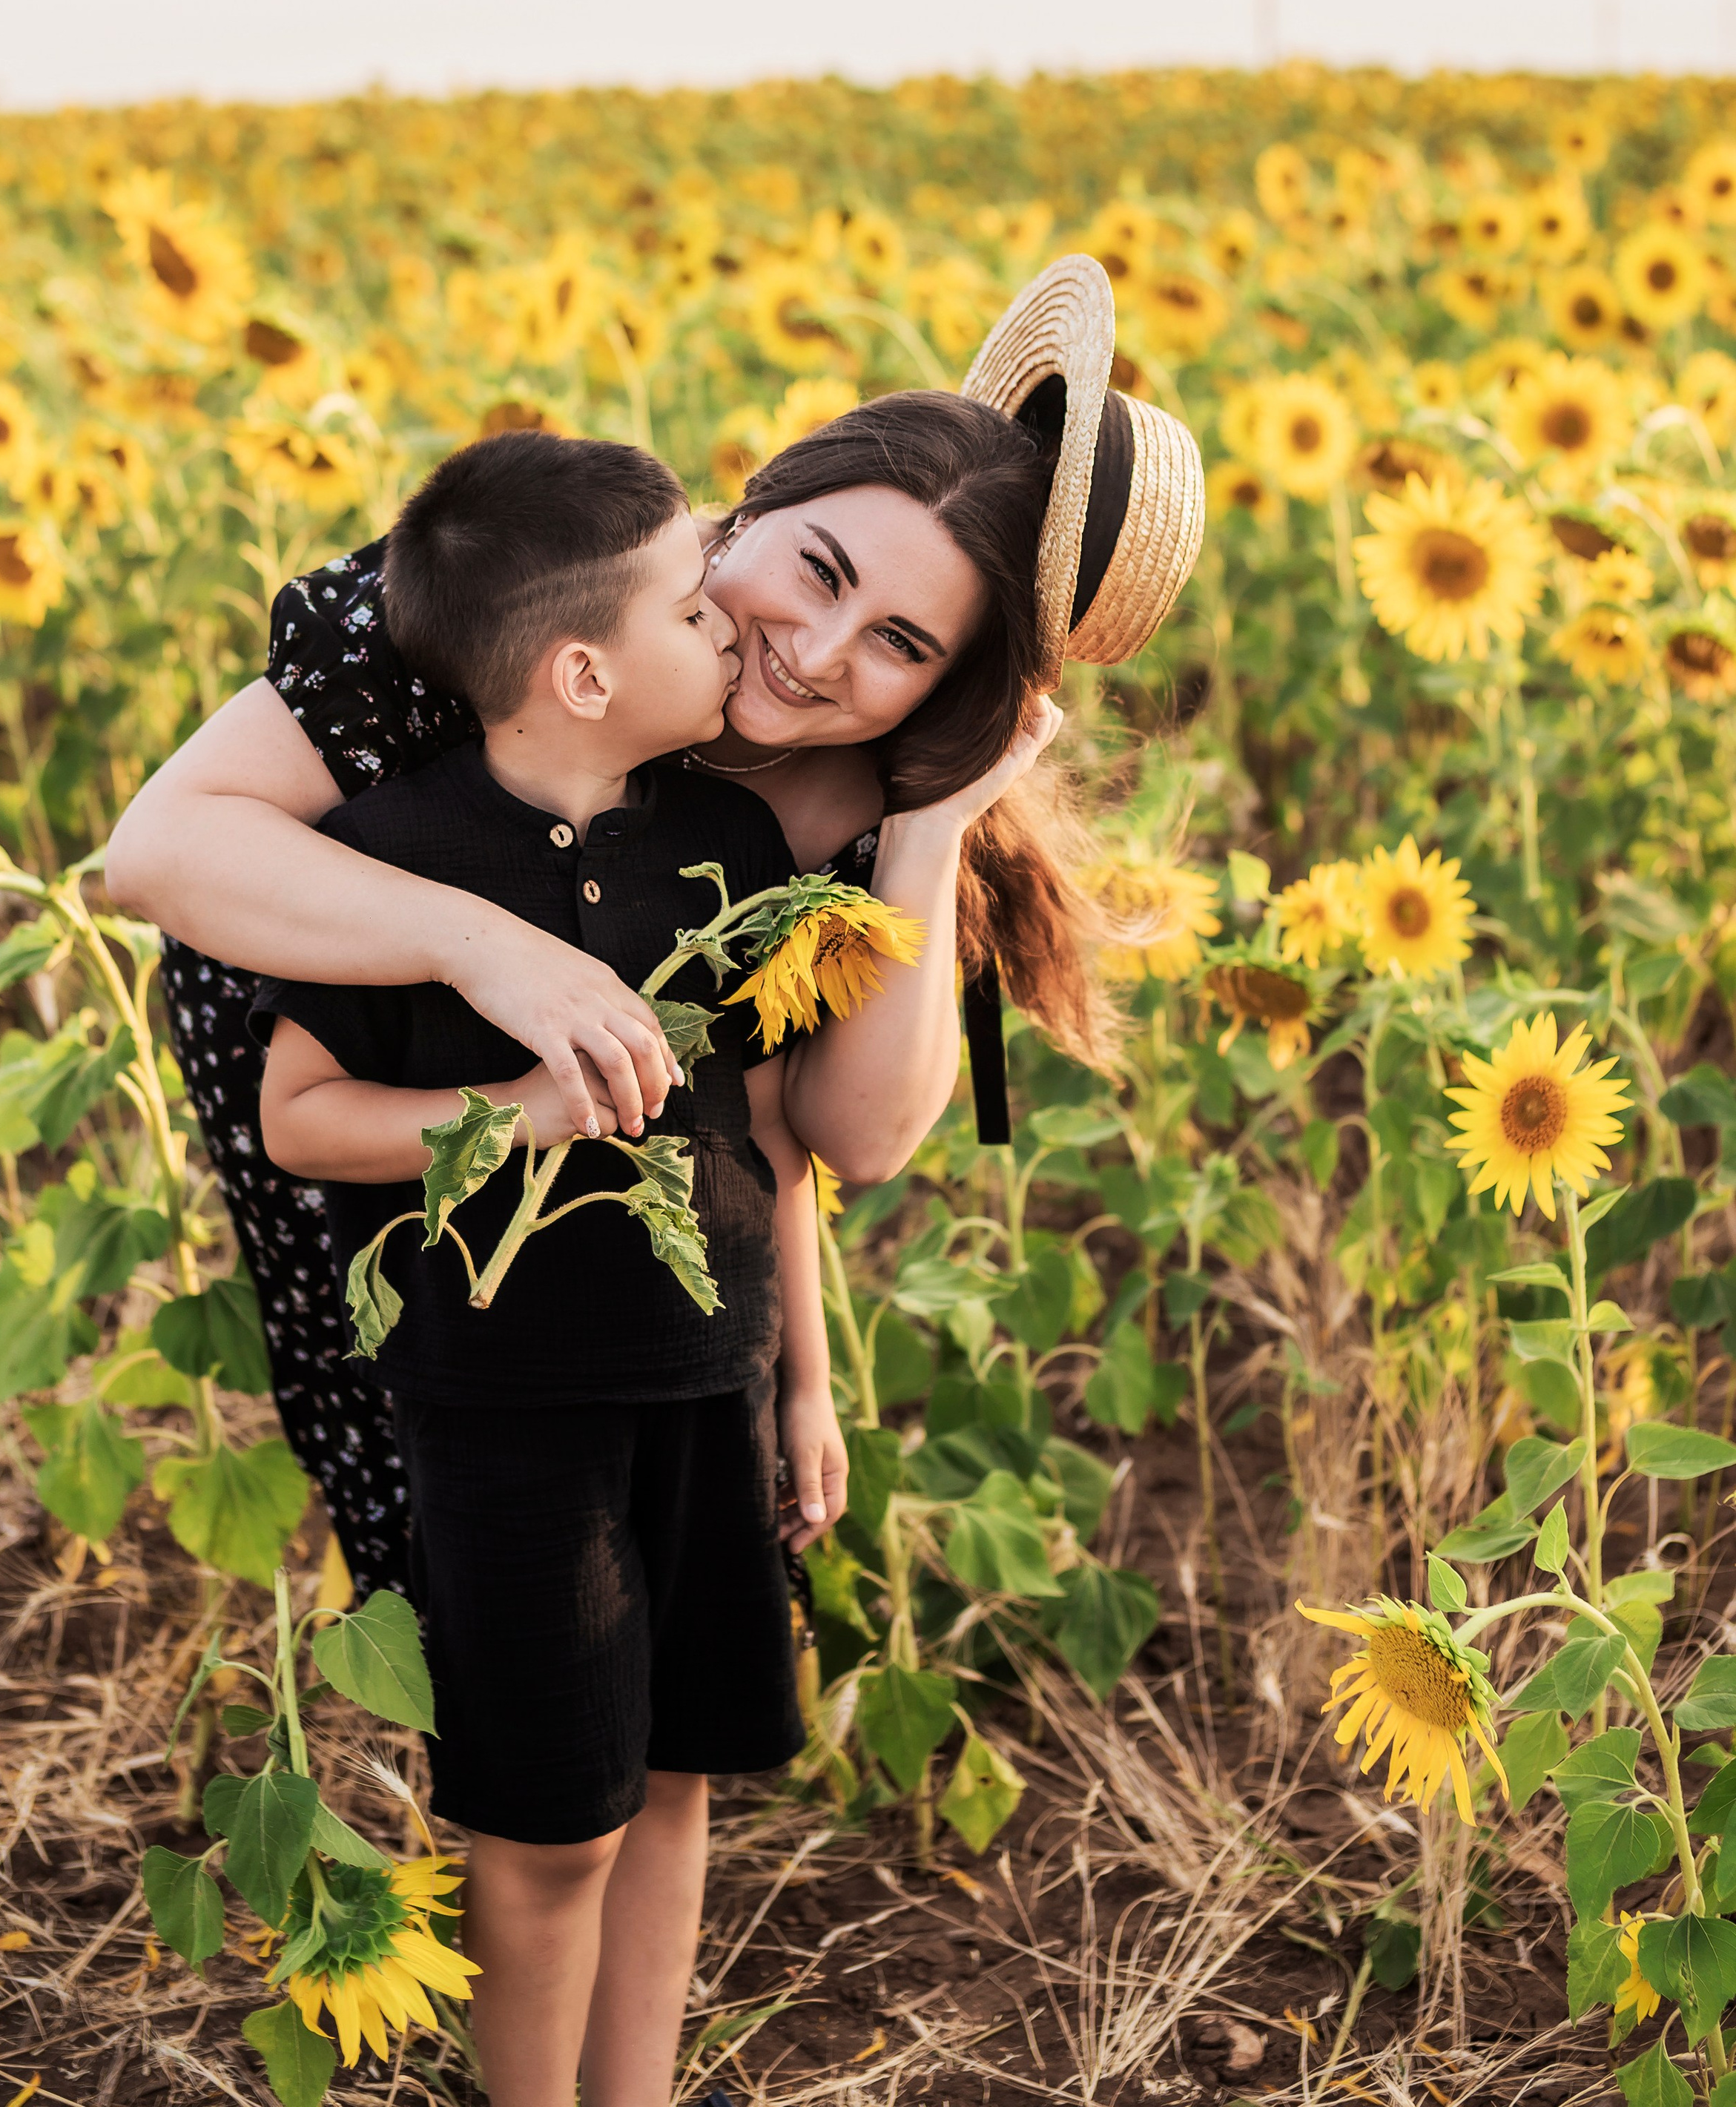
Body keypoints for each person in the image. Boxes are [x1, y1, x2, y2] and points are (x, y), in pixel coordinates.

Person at [105, 254, 1205, 1592]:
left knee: (661, 1602)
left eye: (900, 645)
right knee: (435, 1505)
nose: (816, 649)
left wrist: (928, 833)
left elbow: (837, 1129)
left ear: (946, 689)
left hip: (638, 1231)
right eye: (820, 568)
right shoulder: (542, 595)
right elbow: (161, 851)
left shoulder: (858, 816)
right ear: (751, 511)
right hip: (347, 1070)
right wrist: (493, 948)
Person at [255, 425, 848, 2107]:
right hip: (506, 1412)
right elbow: (302, 1118)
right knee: (543, 1825)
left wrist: (804, 1382)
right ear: (583, 672)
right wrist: (509, 1111)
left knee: (674, 1780)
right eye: (693, 610)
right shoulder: (388, 853)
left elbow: (767, 1141)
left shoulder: (721, 851)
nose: (732, 625)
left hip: (707, 1384)